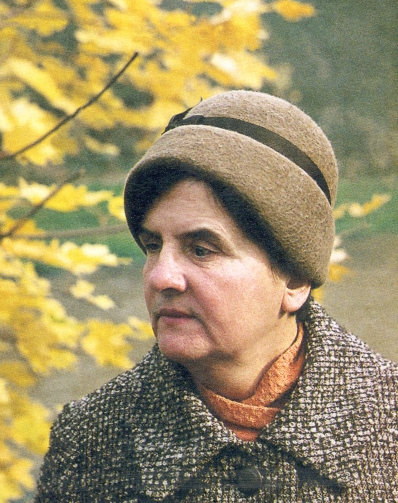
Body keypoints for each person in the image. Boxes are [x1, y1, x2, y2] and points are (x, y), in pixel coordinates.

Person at [34, 91, 398, 502]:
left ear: (295, 280)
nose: (162, 277)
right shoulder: (87, 442)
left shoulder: (389, 424)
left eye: (202, 250)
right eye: (153, 246)